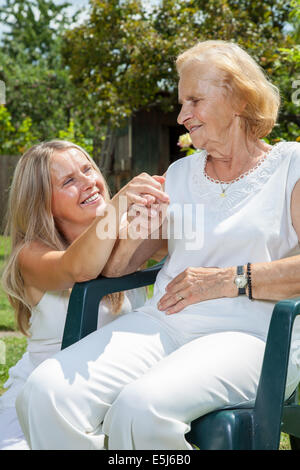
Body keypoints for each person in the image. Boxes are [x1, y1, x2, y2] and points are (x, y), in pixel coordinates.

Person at [16, 40, 300, 450]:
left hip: (254, 332)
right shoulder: (181, 173)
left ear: (238, 98)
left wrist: (228, 280)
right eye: (182, 102)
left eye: (194, 101)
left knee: (142, 409)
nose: (182, 115)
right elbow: (116, 270)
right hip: (165, 322)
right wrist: (134, 226)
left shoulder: (289, 167)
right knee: (47, 394)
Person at [0, 140, 169, 450]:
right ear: (42, 203)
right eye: (68, 181)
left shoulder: (128, 230)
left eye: (88, 169)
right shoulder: (31, 255)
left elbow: (189, 247)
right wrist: (117, 205)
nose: (88, 182)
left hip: (117, 392)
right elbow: (79, 268)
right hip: (42, 407)